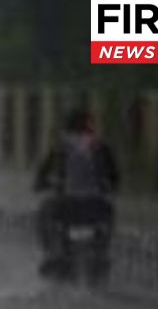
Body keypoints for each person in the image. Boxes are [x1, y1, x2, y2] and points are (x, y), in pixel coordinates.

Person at [33, 107, 119, 279]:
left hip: (65, 206)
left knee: (44, 211)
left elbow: (39, 181)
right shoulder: (100, 146)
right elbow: (115, 180)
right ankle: (102, 251)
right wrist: (103, 186)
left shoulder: (59, 147)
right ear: (89, 127)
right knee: (109, 212)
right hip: (96, 207)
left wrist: (47, 184)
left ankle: (53, 251)